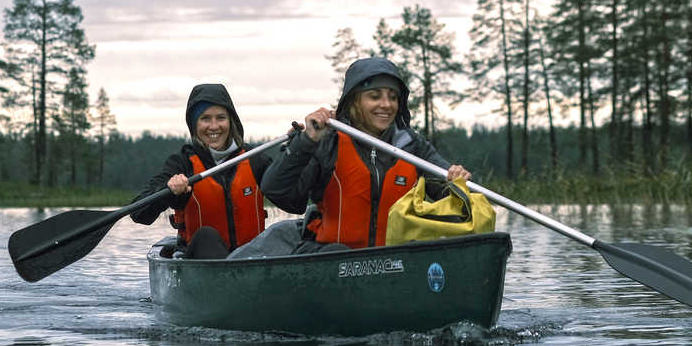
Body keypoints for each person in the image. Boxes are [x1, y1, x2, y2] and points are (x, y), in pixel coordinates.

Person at [261, 56, 472, 252]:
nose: (386, 105)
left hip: (396, 263)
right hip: (332, 261)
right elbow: (278, 192)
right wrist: (306, 142)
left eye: (393, 97)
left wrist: (458, 184)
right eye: (374, 96)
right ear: (354, 101)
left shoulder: (412, 146)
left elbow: (459, 206)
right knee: (336, 252)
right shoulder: (327, 141)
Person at [129, 83, 273, 259]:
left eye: (221, 118)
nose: (214, 126)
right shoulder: (182, 163)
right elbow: (139, 214)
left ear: (231, 121)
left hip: (251, 259)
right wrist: (169, 191)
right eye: (205, 118)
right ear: (194, 124)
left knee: (285, 231)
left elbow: (294, 204)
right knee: (207, 236)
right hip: (200, 261)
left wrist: (299, 150)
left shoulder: (254, 158)